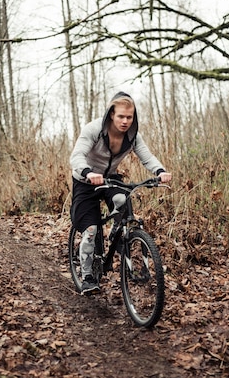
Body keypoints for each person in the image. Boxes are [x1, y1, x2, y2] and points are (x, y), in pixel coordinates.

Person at [70, 91, 172, 295]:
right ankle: (88, 276)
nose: (125, 121)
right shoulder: (94, 129)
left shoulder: (133, 136)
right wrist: (88, 172)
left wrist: (160, 171)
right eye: (121, 117)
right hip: (86, 180)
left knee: (121, 199)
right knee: (90, 231)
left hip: (110, 178)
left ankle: (118, 235)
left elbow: (146, 156)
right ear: (111, 114)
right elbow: (77, 155)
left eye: (129, 117)